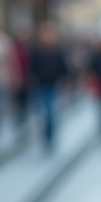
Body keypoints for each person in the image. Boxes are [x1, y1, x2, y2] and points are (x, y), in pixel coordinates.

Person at [28, 22, 69, 151]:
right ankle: (45, 135)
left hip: (53, 86)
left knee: (50, 113)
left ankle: (50, 136)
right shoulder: (36, 51)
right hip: (39, 86)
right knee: (42, 114)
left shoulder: (58, 52)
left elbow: (64, 70)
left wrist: (64, 83)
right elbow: (31, 69)